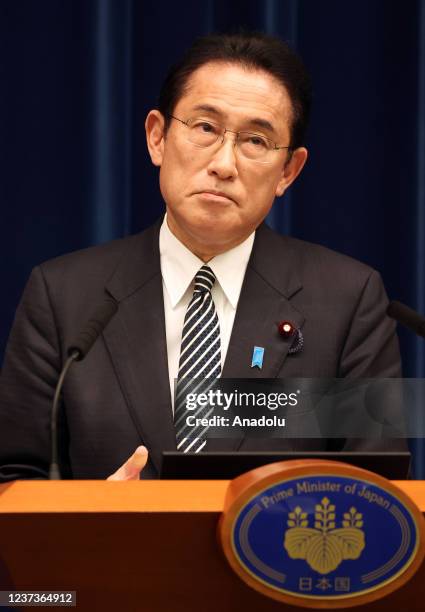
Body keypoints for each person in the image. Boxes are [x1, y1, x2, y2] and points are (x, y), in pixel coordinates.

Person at [0, 31, 404, 481]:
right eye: (206, 128)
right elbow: (13, 479)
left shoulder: (348, 302)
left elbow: (378, 495)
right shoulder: (64, 297)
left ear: (288, 171)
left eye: (255, 140)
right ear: (158, 137)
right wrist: (92, 518)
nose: (224, 164)